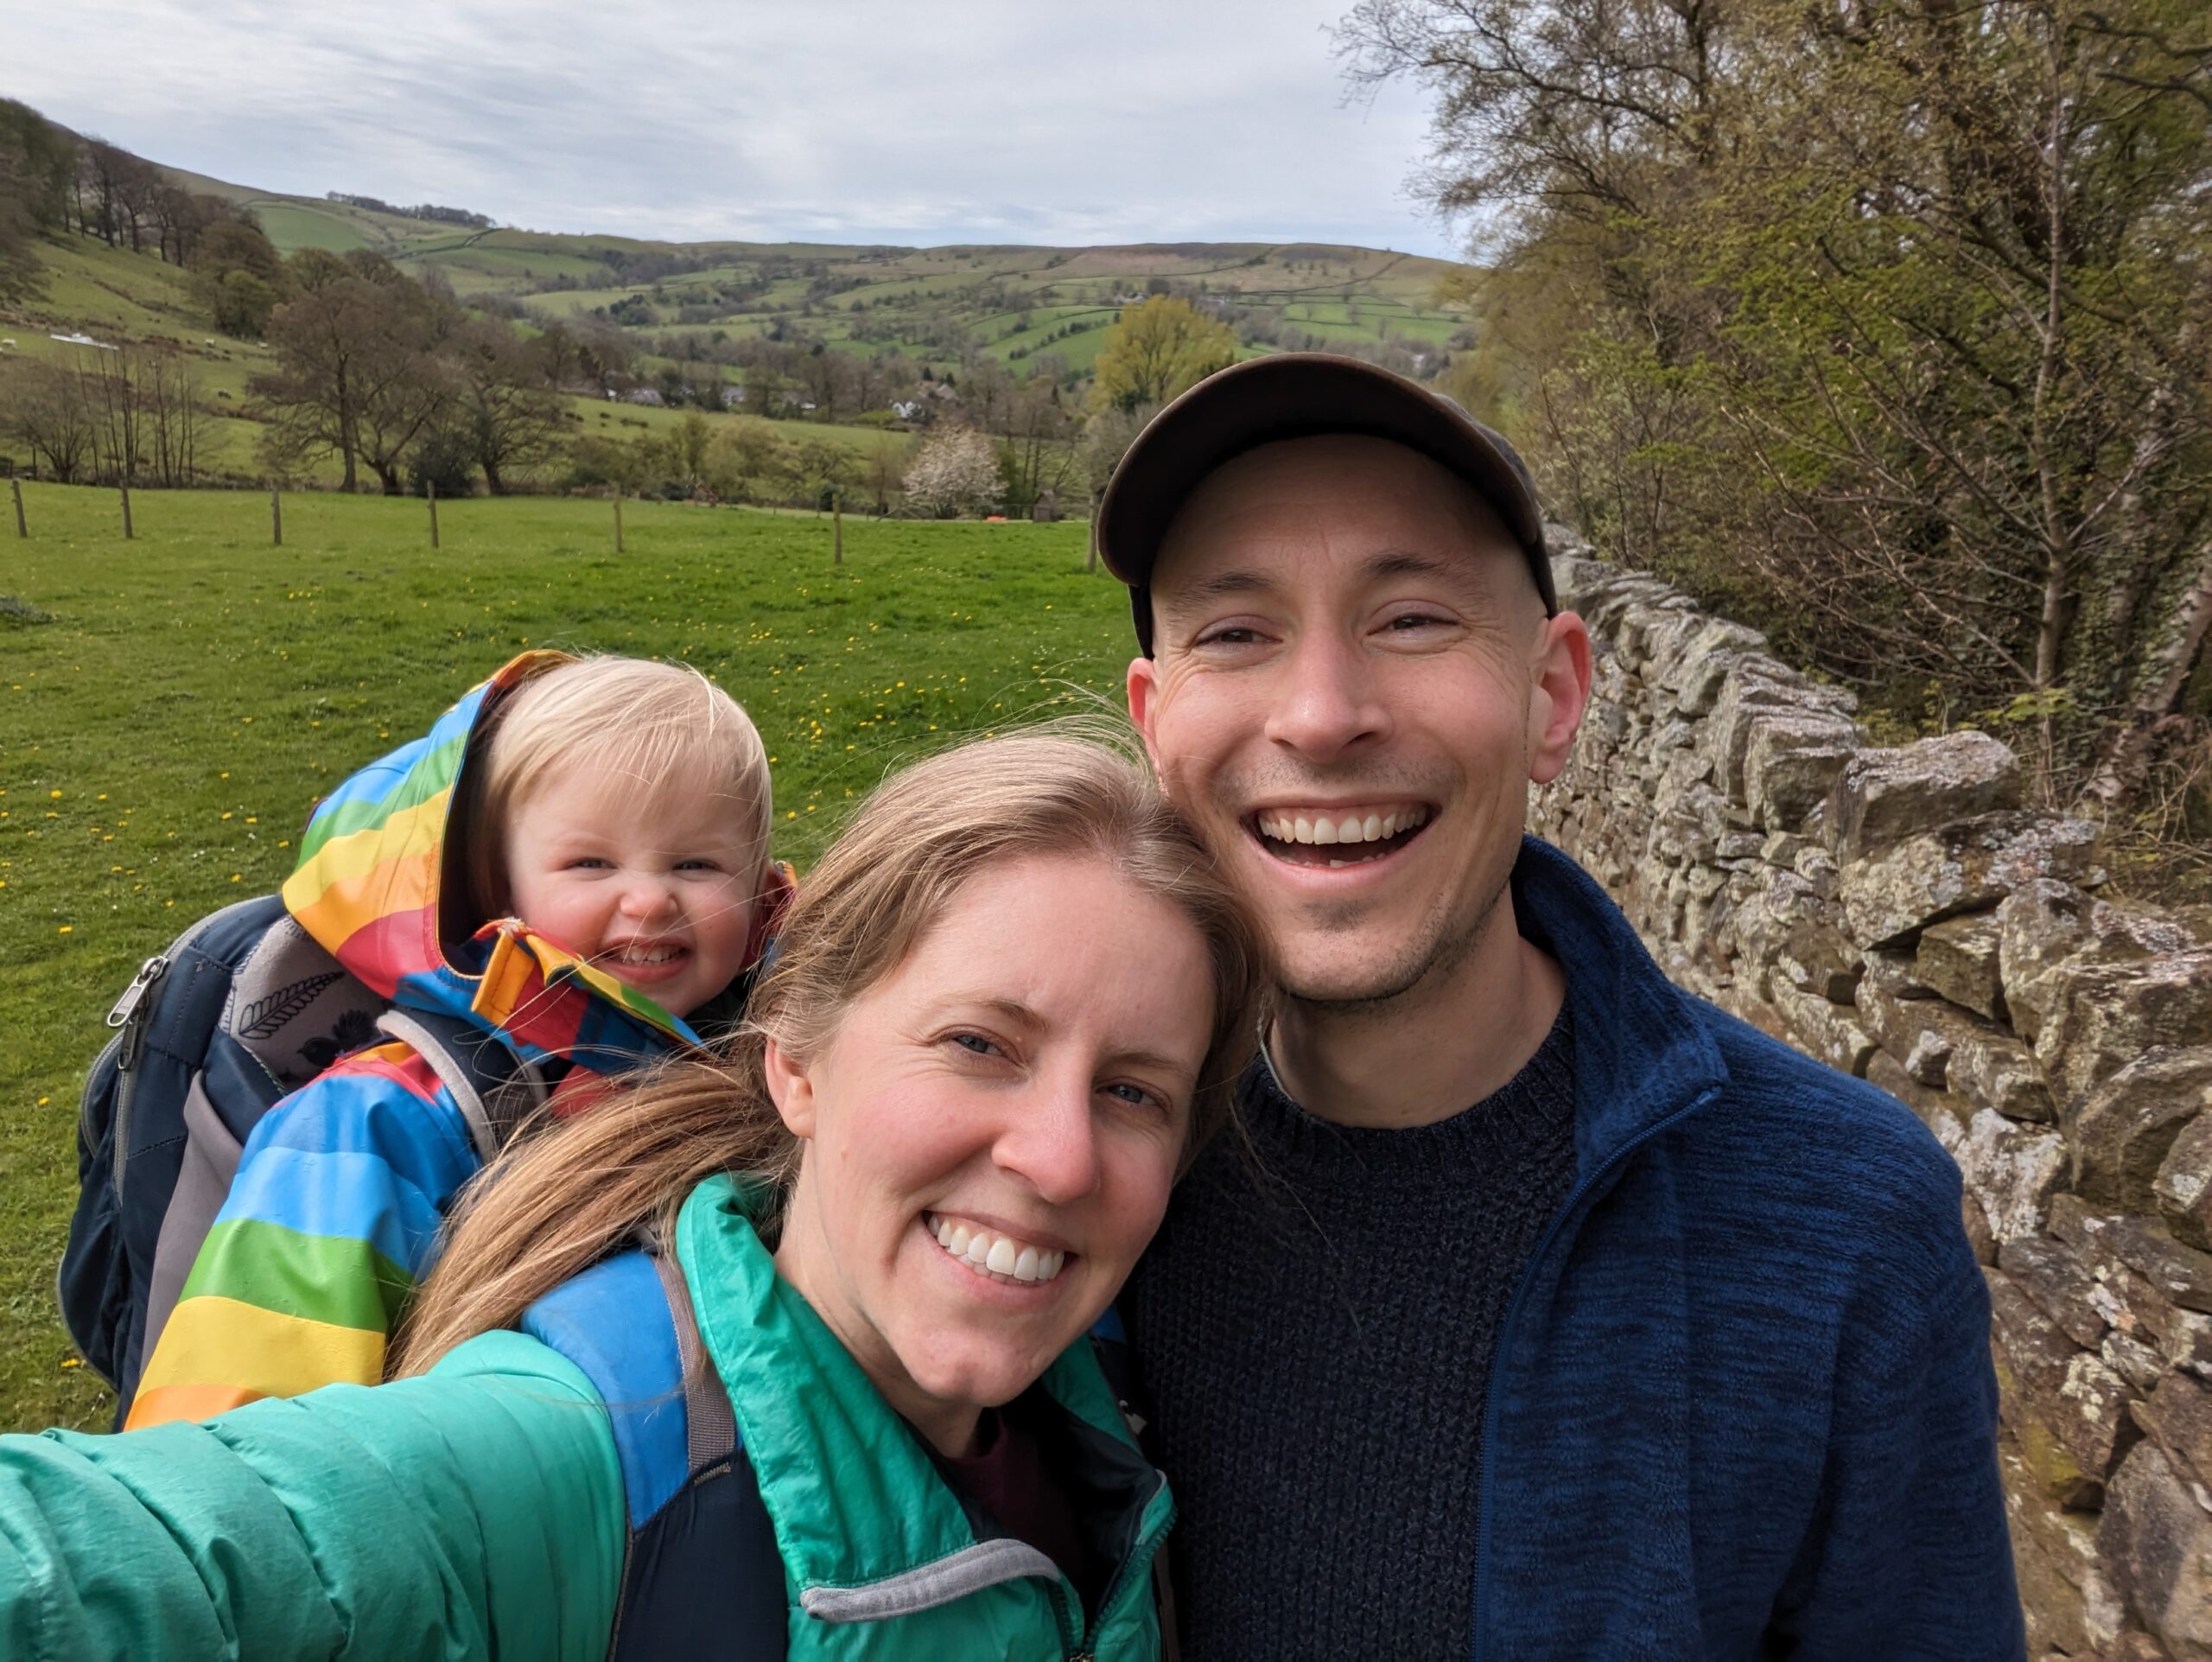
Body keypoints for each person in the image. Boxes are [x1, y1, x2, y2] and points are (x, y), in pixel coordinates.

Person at [1096, 353, 2024, 1659]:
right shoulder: (1078, 1171)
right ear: (1155, 723)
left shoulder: (1846, 1225)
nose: (1319, 716)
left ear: (1553, 696)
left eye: (1411, 618)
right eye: (1236, 633)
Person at [0, 731, 1263, 1659]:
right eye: (978, 1043)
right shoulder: (579, 1451)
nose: (1059, 1158)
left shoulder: (1096, 1414)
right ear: (795, 1063)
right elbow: (158, 1558)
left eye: (1132, 1091)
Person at [125, 651, 791, 1429]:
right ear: (499, 886)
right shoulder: (382, 1119)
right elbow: (240, 1419)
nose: (648, 899)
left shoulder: (781, 1038)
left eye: (696, 863)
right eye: (589, 862)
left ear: (756, 887)